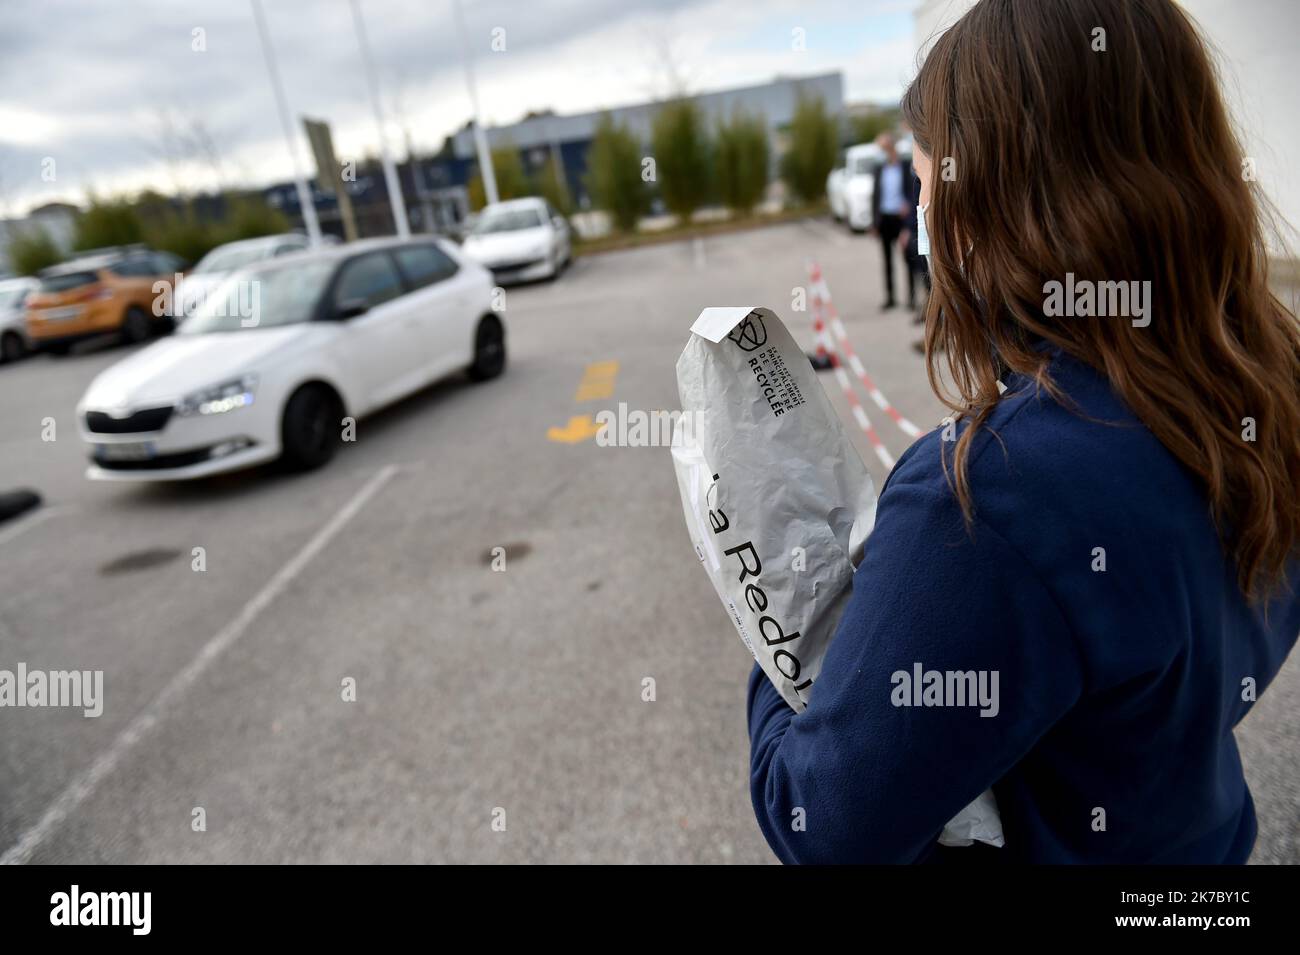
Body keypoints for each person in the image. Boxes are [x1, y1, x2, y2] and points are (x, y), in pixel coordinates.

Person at [747, 0, 1300, 863]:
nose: (925, 219)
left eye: (929, 188)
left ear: (988, 207)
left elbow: (826, 819)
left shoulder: (992, 493)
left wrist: (780, 633)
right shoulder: (1266, 381)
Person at [870, 133, 917, 310]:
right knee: (887, 260)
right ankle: (890, 297)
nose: (882, 152)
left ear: (891, 148)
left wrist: (908, 205)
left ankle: (912, 298)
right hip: (885, 218)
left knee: (908, 258)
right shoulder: (879, 169)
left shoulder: (904, 167)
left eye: (883, 148)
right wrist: (874, 223)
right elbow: (875, 196)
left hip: (901, 218)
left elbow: (912, 189)